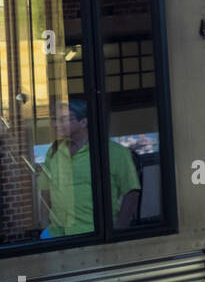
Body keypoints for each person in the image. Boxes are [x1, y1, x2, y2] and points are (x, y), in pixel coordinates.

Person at [38, 98, 140, 238]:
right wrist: (44, 226)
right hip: (56, 235)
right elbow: (45, 190)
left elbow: (131, 192)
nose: (56, 124)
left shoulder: (115, 152)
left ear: (83, 122)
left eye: (64, 119)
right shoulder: (53, 152)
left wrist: (118, 232)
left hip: (95, 236)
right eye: (55, 119)